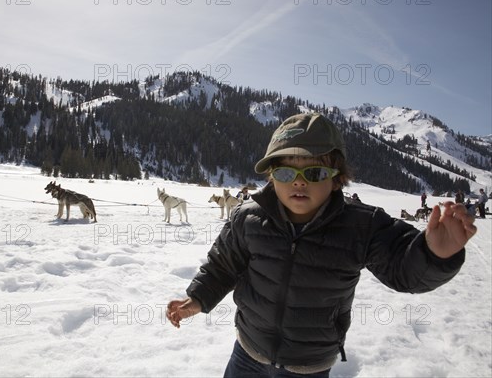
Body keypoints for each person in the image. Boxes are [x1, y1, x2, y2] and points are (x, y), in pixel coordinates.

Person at [166, 113, 476, 377]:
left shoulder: (360, 226)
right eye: (286, 171)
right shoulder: (249, 218)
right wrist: (197, 299)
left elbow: (403, 268)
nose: (298, 182)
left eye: (313, 172)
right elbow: (223, 265)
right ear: (272, 176)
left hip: (309, 366)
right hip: (247, 354)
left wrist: (434, 254)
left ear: (337, 177)